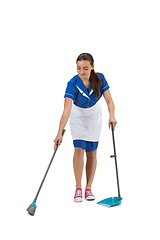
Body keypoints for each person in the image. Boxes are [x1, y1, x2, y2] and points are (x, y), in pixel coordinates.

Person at [54, 53, 117, 202]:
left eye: (85, 68)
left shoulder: (100, 80)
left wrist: (112, 115)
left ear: (92, 67)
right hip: (77, 116)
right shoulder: (72, 83)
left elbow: (109, 101)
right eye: (78, 68)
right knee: (78, 149)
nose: (81, 72)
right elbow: (67, 110)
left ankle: (89, 188)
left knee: (92, 152)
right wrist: (59, 133)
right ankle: (78, 188)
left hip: (94, 117)